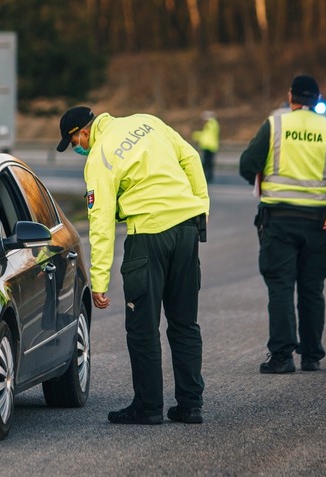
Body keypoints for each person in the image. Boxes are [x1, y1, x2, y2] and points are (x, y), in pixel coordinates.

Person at [56, 106, 210, 425]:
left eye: (74, 143)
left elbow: (100, 223)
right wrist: (201, 206)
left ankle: (149, 407)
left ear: (82, 132)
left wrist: (98, 282)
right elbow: (192, 158)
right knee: (184, 323)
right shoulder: (147, 121)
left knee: (142, 328)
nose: (78, 149)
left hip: (148, 237)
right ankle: (191, 404)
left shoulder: (100, 156)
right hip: (185, 230)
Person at [239, 75, 326, 374]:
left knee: (280, 286)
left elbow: (246, 164)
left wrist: (261, 179)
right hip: (318, 221)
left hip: (279, 218)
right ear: (317, 100)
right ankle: (311, 355)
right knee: (312, 288)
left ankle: (281, 357)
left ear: (291, 95)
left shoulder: (276, 124)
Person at [191, 111, 220, 182]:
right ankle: (207, 177)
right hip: (208, 146)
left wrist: (195, 135)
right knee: (207, 163)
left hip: (209, 146)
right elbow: (204, 134)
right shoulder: (211, 125)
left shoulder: (211, 124)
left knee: (207, 163)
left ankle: (207, 177)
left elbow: (205, 135)